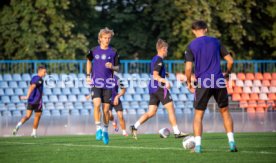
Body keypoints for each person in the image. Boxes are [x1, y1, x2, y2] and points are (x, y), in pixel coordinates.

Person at [184, 20, 237, 153]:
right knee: (225, 112)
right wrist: (228, 73)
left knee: (198, 115)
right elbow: (230, 60)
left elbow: (188, 68)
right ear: (206, 29)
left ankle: (198, 146)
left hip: (203, 82)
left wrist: (189, 82)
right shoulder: (216, 42)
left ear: (193, 31)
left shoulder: (191, 45)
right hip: (218, 80)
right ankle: (231, 143)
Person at [130, 39, 189, 140]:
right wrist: (165, 81)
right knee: (171, 108)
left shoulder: (154, 59)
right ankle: (176, 132)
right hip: (159, 87)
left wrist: (165, 74)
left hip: (152, 88)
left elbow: (155, 72)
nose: (167, 51)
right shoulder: (159, 60)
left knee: (151, 112)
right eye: (166, 49)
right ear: (163, 49)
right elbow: (155, 75)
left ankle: (134, 126)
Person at [86, 27, 120, 145]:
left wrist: (112, 67)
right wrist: (87, 75)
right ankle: (98, 129)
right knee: (96, 104)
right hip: (96, 83)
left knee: (106, 111)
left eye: (109, 38)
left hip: (108, 84)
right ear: (100, 38)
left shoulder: (113, 51)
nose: (107, 40)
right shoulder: (94, 50)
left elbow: (118, 68)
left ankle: (105, 131)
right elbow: (89, 61)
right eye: (105, 38)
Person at [12, 66, 47, 138]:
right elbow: (33, 86)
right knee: (37, 116)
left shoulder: (34, 77)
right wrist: (27, 96)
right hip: (37, 101)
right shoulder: (40, 79)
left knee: (27, 116)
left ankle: (18, 125)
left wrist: (32, 96)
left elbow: (31, 87)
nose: (45, 73)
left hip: (31, 100)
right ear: (40, 71)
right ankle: (33, 133)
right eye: (44, 72)